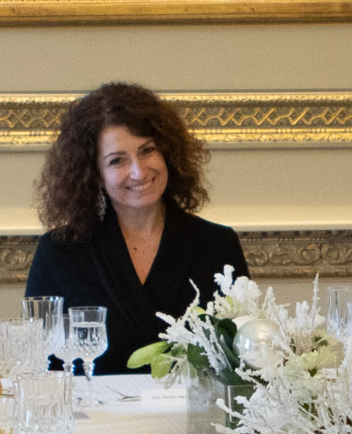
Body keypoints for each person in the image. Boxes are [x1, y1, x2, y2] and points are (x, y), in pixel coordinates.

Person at [25, 82, 250, 374]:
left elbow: (246, 358)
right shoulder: (59, 252)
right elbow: (36, 366)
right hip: (92, 419)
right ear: (94, 174)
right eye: (117, 160)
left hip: (194, 418)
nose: (138, 171)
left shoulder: (217, 244)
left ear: (167, 153)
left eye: (147, 151)